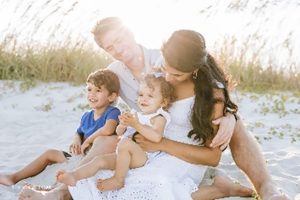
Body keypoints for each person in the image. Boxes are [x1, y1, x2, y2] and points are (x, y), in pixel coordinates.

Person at [19, 17, 287, 200]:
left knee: (232, 127)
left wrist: (230, 116)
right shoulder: (120, 72)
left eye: (119, 41)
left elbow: (210, 95)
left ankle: (266, 187)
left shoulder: (167, 61)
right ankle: (60, 192)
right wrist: (93, 133)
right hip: (152, 137)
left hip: (175, 144)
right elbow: (104, 107)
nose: (167, 77)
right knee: (105, 163)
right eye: (109, 47)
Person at [0, 69, 120, 187]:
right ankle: (14, 178)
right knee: (50, 153)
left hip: (90, 160)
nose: (92, 94)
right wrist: (76, 141)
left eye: (98, 90)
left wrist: (88, 140)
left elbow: (108, 129)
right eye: (89, 89)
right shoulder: (87, 115)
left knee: (69, 170)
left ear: (111, 96)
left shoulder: (112, 112)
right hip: (78, 156)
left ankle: (55, 186)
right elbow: (78, 132)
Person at [56, 73, 175, 191]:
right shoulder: (136, 114)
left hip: (144, 156)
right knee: (99, 160)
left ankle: (118, 180)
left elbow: (156, 137)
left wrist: (136, 124)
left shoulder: (159, 117)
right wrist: (123, 124)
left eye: (150, 96)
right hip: (125, 154)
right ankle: (74, 176)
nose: (143, 98)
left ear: (163, 102)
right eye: (141, 94)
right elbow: (119, 133)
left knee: (125, 143)